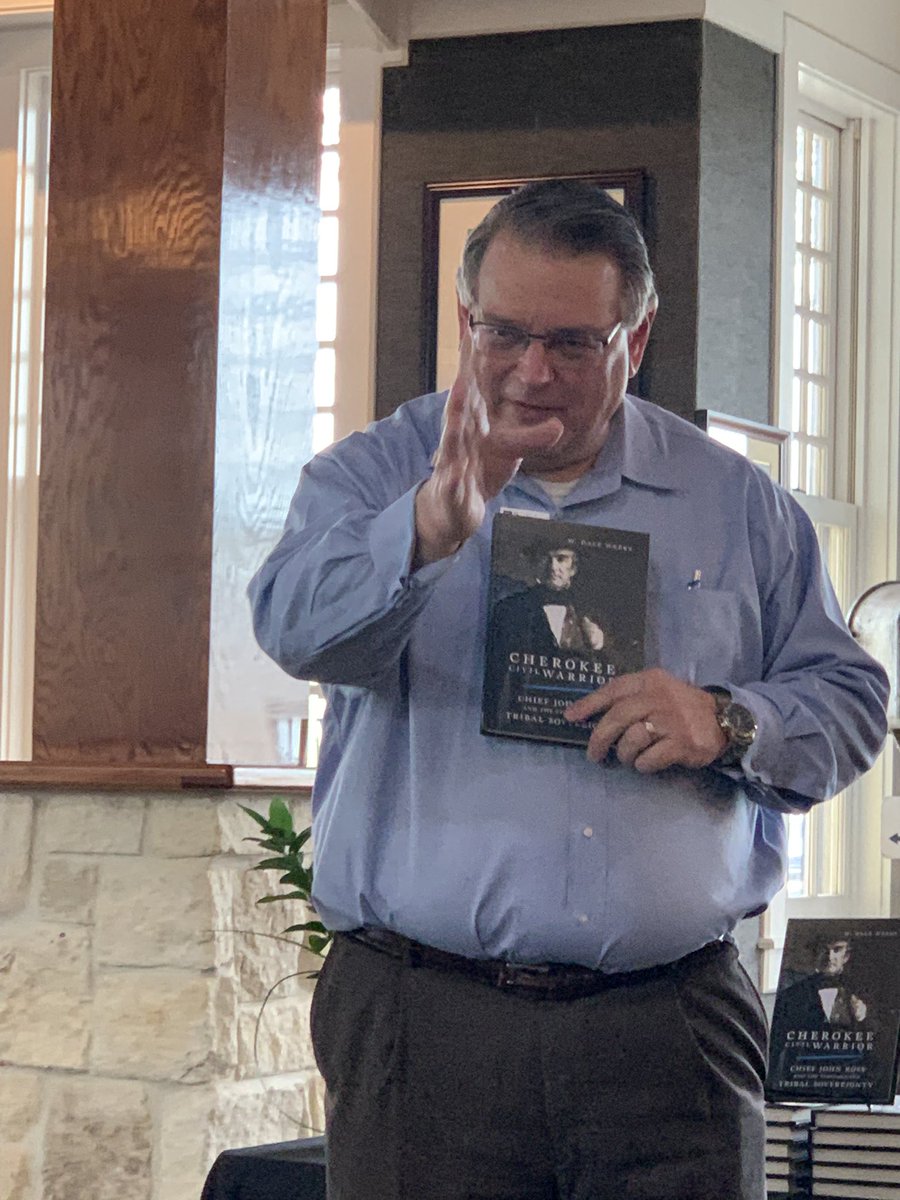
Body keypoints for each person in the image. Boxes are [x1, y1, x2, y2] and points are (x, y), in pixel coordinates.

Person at [249, 179, 889, 1200]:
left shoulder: (738, 507)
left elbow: (853, 704)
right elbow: (291, 631)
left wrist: (728, 719)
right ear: (465, 320)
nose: (531, 371)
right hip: (425, 1024)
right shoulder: (371, 475)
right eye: (502, 333)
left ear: (636, 340)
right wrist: (424, 529)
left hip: (670, 1032)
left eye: (574, 344)